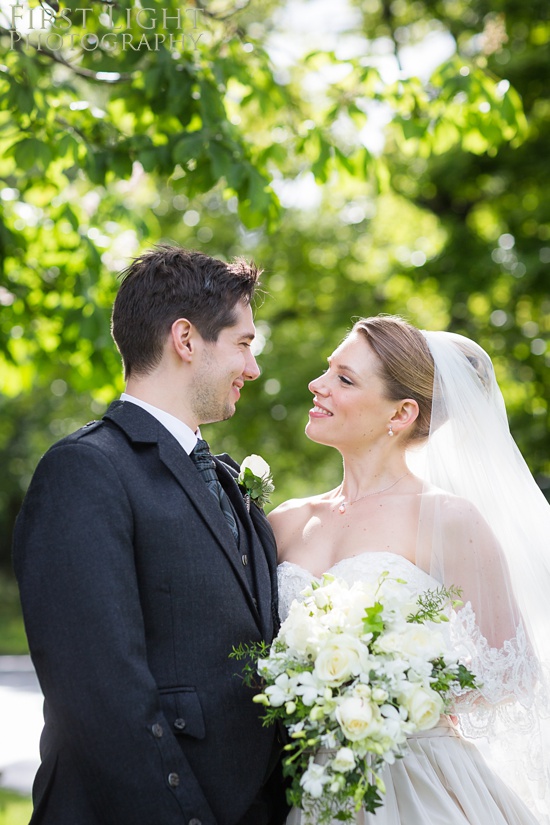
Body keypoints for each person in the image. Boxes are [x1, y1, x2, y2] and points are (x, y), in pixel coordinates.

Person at [13, 245, 286, 825]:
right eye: (243, 344)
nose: (253, 369)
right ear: (186, 340)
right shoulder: (86, 470)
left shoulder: (228, 479)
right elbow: (100, 697)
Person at [269, 315, 550, 825]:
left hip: (421, 786)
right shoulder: (285, 522)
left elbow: (511, 671)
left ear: (400, 413)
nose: (318, 384)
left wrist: (390, 688)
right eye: (327, 369)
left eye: (344, 378)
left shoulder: (449, 519)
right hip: (312, 783)